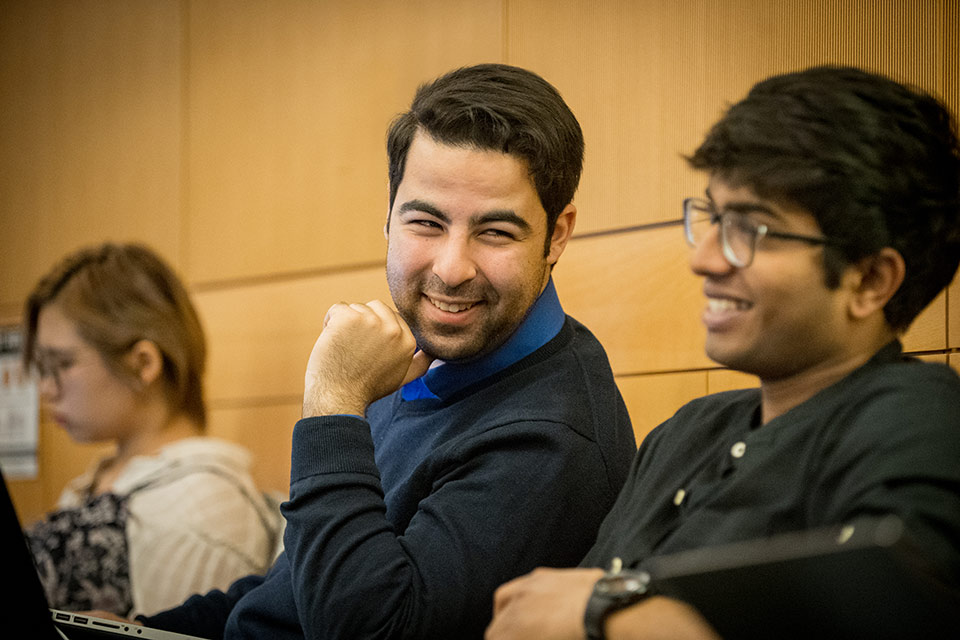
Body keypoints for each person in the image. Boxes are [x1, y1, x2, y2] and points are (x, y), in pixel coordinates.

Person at [135, 63, 637, 639]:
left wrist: (334, 404)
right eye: (425, 222)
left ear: (558, 235)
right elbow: (297, 586)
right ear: (389, 216)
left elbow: (370, 629)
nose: (451, 269)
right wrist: (139, 629)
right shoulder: (421, 362)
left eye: (496, 232)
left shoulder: (551, 438)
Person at [486, 65, 960, 640]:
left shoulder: (923, 420)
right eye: (712, 217)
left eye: (751, 229)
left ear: (869, 281)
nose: (704, 259)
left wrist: (606, 612)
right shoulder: (687, 432)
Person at [21, 242, 280, 618]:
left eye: (61, 364)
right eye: (41, 369)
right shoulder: (97, 481)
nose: (46, 389)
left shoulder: (203, 507)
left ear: (143, 363)